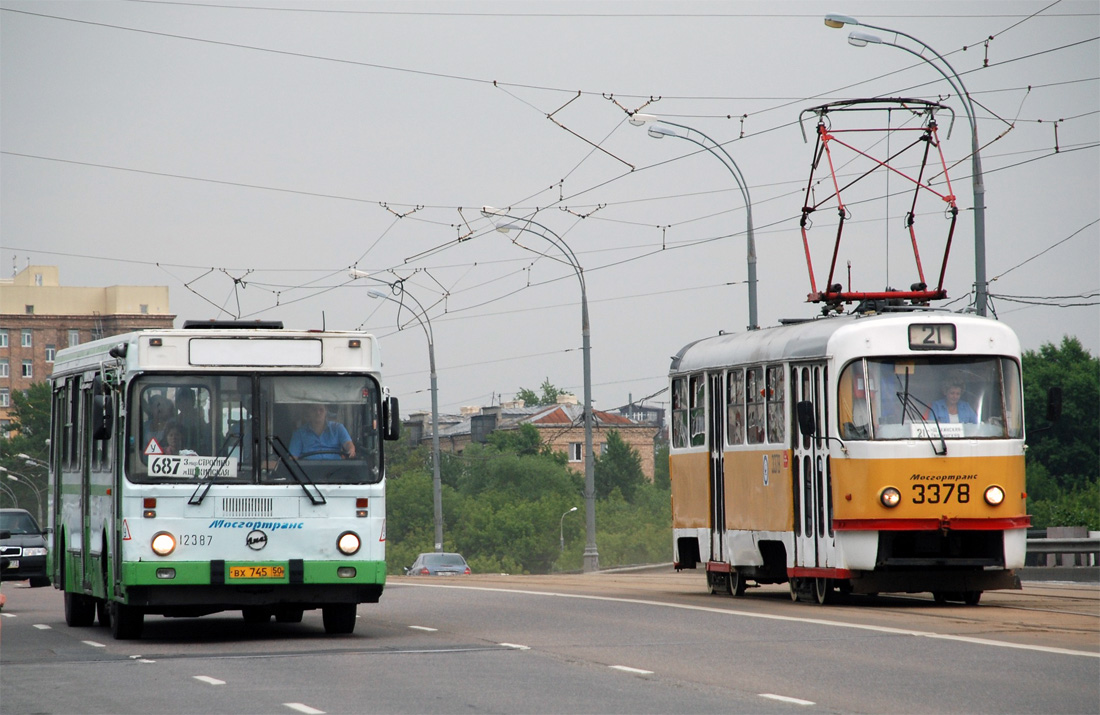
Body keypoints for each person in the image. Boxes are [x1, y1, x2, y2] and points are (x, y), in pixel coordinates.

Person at [289, 404, 355, 460]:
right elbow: (293, 458)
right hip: (307, 472)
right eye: (314, 410)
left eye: (321, 409)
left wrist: (351, 450)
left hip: (336, 471)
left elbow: (348, 444)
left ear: (326, 411)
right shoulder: (299, 433)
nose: (318, 412)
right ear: (309, 412)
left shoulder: (338, 428)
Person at [175, 387, 210, 454]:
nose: (183, 404)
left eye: (186, 400)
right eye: (180, 401)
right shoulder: (174, 421)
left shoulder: (200, 420)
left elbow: (207, 437)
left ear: (193, 402)